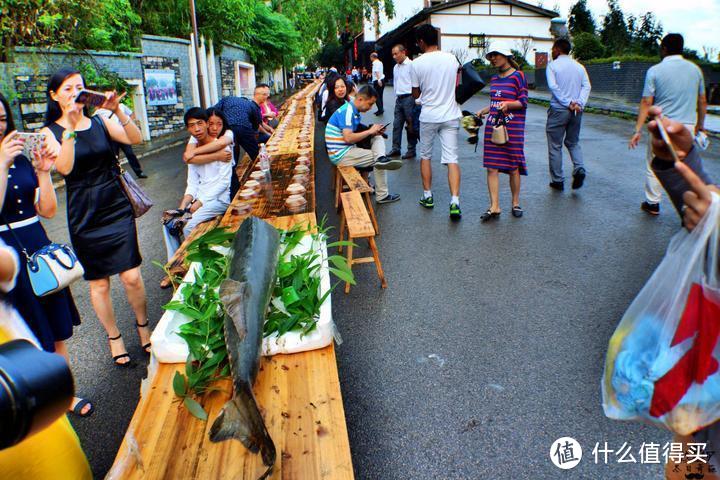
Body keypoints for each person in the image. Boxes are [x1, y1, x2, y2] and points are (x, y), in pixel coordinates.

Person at [42, 67, 149, 367]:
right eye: (67, 88)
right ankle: (114, 337)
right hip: (83, 213)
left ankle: (143, 325)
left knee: (131, 276)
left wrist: (117, 109)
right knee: (99, 283)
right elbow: (64, 167)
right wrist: (72, 127)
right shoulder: (49, 132)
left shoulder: (101, 120)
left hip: (114, 204)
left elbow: (136, 138)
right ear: (54, 95)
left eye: (79, 87)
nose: (74, 92)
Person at [0, 93, 92, 416]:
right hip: (4, 259)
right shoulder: (5, 159)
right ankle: (33, 406)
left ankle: (66, 396)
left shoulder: (23, 158)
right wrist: (1, 164)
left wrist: (43, 172)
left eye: (1, 119)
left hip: (35, 245)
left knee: (54, 330)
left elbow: (48, 211)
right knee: (22, 335)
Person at [629, 33, 707, 216]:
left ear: (664, 48)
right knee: (686, 165)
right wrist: (700, 127)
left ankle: (652, 203)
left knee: (654, 163)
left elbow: (646, 102)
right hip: (686, 127)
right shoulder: (695, 70)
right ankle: (691, 205)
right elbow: (702, 100)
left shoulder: (655, 70)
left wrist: (638, 129)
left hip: (662, 127)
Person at [163, 108, 232, 259]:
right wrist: (182, 208)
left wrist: (198, 203)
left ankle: (195, 263)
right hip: (199, 200)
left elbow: (224, 184)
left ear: (207, 124)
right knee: (169, 223)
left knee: (189, 227)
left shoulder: (222, 147)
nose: (197, 129)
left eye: (200, 123)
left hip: (219, 200)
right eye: (192, 125)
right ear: (188, 129)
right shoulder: (193, 152)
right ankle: (174, 264)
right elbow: (192, 184)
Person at [411, 24, 463, 219]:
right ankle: (455, 201)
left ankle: (428, 196)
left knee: (425, 155)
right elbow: (457, 83)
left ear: (422, 41)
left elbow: (416, 93)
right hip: (450, 114)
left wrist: (423, 94)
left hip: (429, 116)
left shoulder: (417, 63)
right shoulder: (452, 58)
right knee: (452, 159)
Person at [324, 86, 402, 204]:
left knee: (377, 137)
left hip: (343, 150)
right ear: (360, 99)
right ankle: (382, 195)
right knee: (379, 161)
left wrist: (373, 132)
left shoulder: (351, 109)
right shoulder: (348, 112)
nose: (371, 108)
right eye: (370, 104)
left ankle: (381, 158)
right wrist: (370, 131)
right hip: (340, 155)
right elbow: (348, 138)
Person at [476, 49, 529, 222]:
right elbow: (494, 103)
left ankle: (515, 203)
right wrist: (483, 111)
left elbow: (522, 102)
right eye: (490, 56)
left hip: (512, 127)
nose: (492, 59)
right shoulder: (494, 79)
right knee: (492, 167)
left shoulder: (518, 76)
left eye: (495, 55)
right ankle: (495, 206)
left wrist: (508, 104)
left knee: (513, 166)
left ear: (506, 56)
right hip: (493, 125)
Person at [545, 38, 591, 191]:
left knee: (555, 145)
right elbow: (587, 86)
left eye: (553, 48)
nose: (552, 51)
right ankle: (579, 167)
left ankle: (557, 181)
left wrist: (567, 102)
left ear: (558, 49)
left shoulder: (552, 66)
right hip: (577, 111)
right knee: (573, 142)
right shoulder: (579, 67)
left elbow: (553, 86)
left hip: (559, 110)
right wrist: (579, 103)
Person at [213, 94, 263, 197]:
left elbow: (214, 110)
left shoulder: (227, 99)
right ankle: (263, 175)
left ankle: (233, 190)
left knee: (232, 161)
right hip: (244, 128)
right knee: (255, 154)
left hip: (228, 128)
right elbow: (257, 121)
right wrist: (254, 132)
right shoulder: (250, 104)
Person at [95, 102, 148, 178]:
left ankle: (139, 172)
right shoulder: (99, 111)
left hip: (124, 135)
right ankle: (115, 175)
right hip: (112, 137)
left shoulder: (121, 106)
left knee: (130, 154)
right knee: (114, 157)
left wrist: (129, 125)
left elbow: (131, 114)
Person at [387, 44, 417, 160]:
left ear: (403, 52)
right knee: (396, 125)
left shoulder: (412, 65)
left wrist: (416, 100)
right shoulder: (396, 67)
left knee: (410, 125)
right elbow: (396, 83)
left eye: (396, 53)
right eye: (393, 54)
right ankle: (396, 148)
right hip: (399, 99)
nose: (394, 56)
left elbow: (416, 83)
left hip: (409, 98)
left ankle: (411, 149)